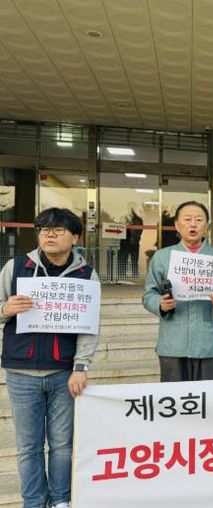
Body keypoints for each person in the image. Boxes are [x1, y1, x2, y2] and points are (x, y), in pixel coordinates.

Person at [0, 207, 99, 508]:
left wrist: (81, 366)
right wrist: (5, 309)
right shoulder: (16, 267)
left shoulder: (86, 275)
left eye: (57, 230)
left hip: (63, 372)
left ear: (75, 237)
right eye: (44, 230)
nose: (49, 235)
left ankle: (60, 499)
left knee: (62, 444)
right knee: (28, 446)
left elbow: (89, 327)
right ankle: (33, 501)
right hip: (21, 372)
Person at [142, 201, 213, 382]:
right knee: (174, 397)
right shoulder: (162, 257)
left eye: (199, 220)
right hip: (173, 344)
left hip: (208, 343)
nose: (193, 224)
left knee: (208, 396)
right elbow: (149, 294)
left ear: (207, 226)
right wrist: (160, 304)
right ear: (177, 225)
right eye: (187, 219)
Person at [118, 206, 143, 278]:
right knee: (124, 261)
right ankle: (123, 276)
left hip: (132, 242)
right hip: (126, 242)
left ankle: (131, 276)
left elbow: (139, 230)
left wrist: (135, 238)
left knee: (132, 262)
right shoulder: (124, 218)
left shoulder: (137, 219)